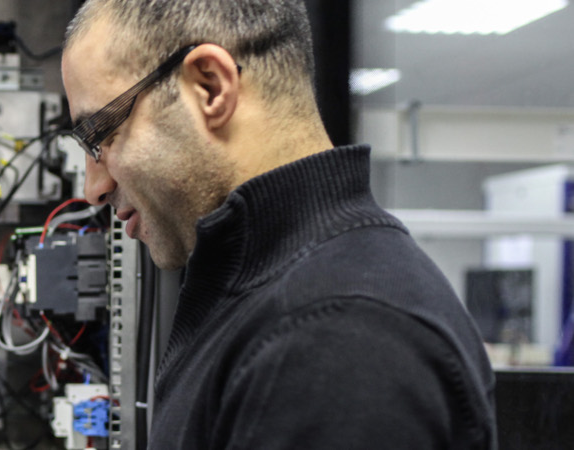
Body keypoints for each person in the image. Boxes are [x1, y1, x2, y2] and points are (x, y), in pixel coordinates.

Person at [61, 0, 496, 448]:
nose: (95, 187)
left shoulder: (339, 336)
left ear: (209, 87)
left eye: (101, 134)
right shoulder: (265, 296)